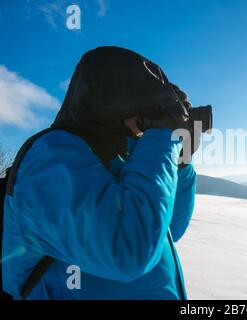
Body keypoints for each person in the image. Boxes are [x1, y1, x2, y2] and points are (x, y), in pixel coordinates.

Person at [2, 46, 197, 299]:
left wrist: (180, 163)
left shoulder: (125, 157)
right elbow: (127, 253)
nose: (144, 123)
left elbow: (170, 229)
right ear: (115, 103)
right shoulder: (49, 159)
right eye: (147, 110)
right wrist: (161, 136)